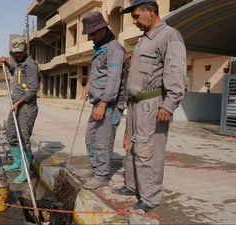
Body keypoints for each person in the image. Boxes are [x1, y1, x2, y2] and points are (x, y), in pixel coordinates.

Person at [111, 0, 187, 213]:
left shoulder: (169, 35)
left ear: (151, 11)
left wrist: (169, 104)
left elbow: (176, 71)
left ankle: (150, 198)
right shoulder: (144, 40)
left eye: (136, 16)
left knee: (148, 150)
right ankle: (132, 185)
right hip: (136, 105)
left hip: (152, 104)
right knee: (132, 147)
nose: (134, 21)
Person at [76, 11, 127, 190]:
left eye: (93, 33)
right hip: (98, 102)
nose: (90, 37)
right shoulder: (100, 47)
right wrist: (89, 84)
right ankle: (95, 168)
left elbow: (113, 79)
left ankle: (102, 175)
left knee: (103, 141)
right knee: (91, 137)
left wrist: (104, 104)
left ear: (103, 29)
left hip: (109, 104)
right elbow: (98, 72)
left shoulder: (114, 49)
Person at [0, 37, 40, 184]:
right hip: (16, 105)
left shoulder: (30, 65)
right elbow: (16, 74)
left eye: (20, 52)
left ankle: (25, 171)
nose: (17, 55)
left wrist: (19, 102)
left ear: (26, 50)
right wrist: (7, 64)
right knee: (11, 133)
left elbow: (33, 89)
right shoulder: (19, 63)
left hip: (26, 107)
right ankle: (17, 162)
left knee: (23, 139)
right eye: (15, 53)